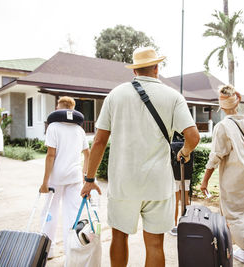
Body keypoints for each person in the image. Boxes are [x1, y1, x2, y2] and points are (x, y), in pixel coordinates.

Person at [81, 47, 200, 267]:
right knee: (155, 244)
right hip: (158, 183)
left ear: (135, 71)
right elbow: (193, 137)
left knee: (119, 237)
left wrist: (89, 179)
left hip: (123, 182)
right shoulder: (174, 96)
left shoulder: (116, 94)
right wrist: (184, 152)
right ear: (157, 67)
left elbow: (98, 141)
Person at [200, 85, 244, 267]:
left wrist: (205, 180)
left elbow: (215, 156)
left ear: (222, 107)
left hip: (233, 180)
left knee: (233, 217)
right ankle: (242, 251)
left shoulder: (222, 126)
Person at [39, 96, 90, 259]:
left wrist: (44, 182)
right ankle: (72, 252)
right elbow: (87, 154)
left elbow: (50, 155)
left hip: (56, 177)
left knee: (49, 213)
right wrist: (85, 175)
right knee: (72, 215)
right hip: (74, 177)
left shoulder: (53, 127)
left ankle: (48, 250)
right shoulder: (79, 130)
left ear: (59, 108)